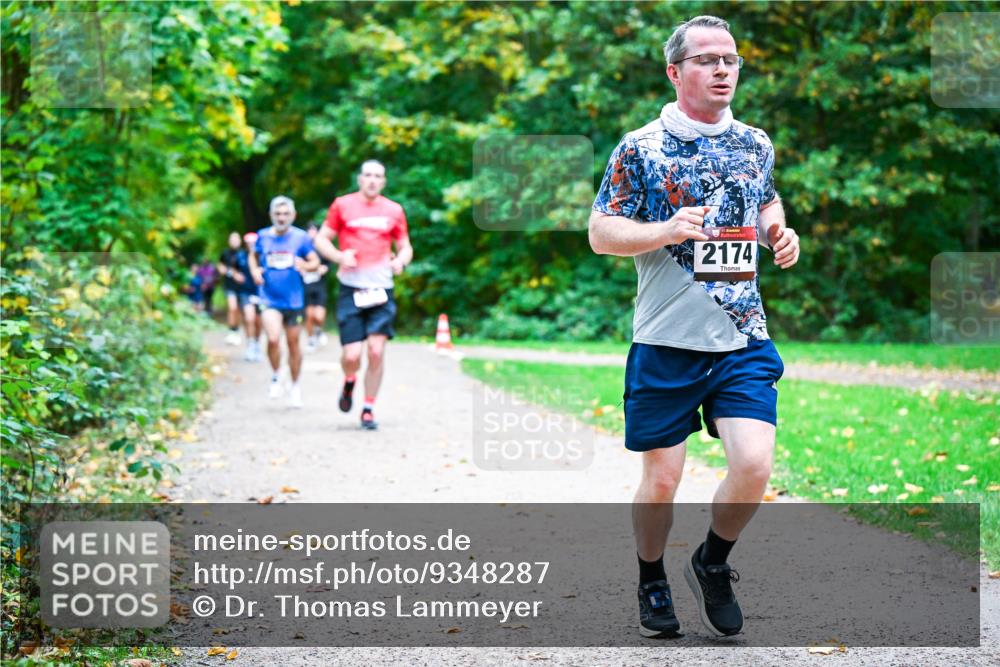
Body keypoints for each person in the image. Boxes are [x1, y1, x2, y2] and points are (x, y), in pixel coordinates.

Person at [589, 15, 800, 639]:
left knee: (755, 465)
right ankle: (651, 577)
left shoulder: (754, 142)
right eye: (707, 59)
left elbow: (766, 197)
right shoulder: (640, 147)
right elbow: (601, 232)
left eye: (730, 59)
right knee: (662, 480)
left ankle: (711, 562)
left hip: (742, 337)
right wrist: (664, 230)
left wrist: (777, 230)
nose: (722, 69)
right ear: (675, 72)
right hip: (666, 341)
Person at [312, 160, 413, 431]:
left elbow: (405, 246)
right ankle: (349, 381)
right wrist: (338, 256)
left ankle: (368, 408)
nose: (372, 180)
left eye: (377, 176)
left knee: (376, 351)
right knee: (352, 355)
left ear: (384, 181)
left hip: (381, 289)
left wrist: (400, 261)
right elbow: (321, 239)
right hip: (351, 288)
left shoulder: (394, 210)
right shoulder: (342, 205)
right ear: (359, 179)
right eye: (367, 175)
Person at [248, 196, 321, 409]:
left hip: (294, 300)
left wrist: (305, 266)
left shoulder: (301, 237)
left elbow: (315, 261)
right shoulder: (263, 236)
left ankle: (295, 386)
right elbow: (253, 256)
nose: (281, 218)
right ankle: (276, 374)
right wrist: (254, 271)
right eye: (278, 214)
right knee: (272, 338)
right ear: (271, 215)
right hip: (269, 297)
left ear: (293, 215)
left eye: (286, 214)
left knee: (293, 344)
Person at [218, 232, 259, 358]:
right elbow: (223, 267)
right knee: (241, 313)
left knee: (256, 320)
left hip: (256, 291)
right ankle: (235, 332)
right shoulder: (233, 255)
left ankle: (255, 344)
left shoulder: (261, 255)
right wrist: (233, 274)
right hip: (236, 288)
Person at [303, 224, 332, 352]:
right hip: (306, 286)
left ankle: (318, 330)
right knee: (309, 315)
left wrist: (324, 269)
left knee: (319, 316)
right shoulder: (303, 248)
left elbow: (328, 263)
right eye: (309, 231)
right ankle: (311, 339)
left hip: (320, 286)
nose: (312, 233)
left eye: (314, 231)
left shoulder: (322, 248)